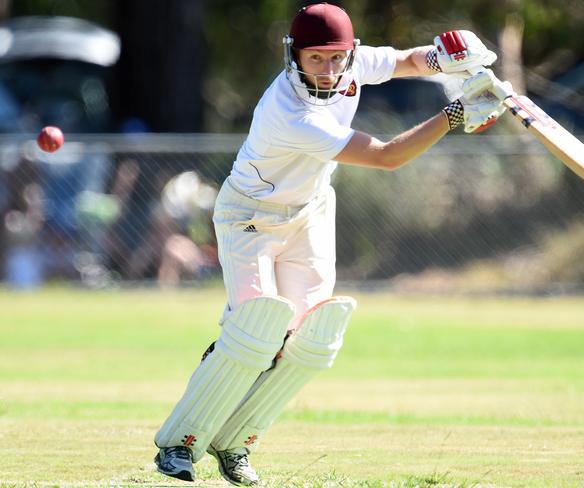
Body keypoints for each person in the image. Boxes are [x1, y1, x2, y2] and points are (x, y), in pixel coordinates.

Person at [153, 3, 510, 485]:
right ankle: (178, 444)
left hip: (311, 212)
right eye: (315, 58)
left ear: (349, 53)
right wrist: (454, 113)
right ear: (294, 56)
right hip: (249, 219)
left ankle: (236, 442)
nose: (327, 68)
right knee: (255, 332)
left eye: (335, 57)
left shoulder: (354, 64)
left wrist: (450, 55)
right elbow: (386, 157)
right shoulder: (290, 111)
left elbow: (406, 61)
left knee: (310, 341)